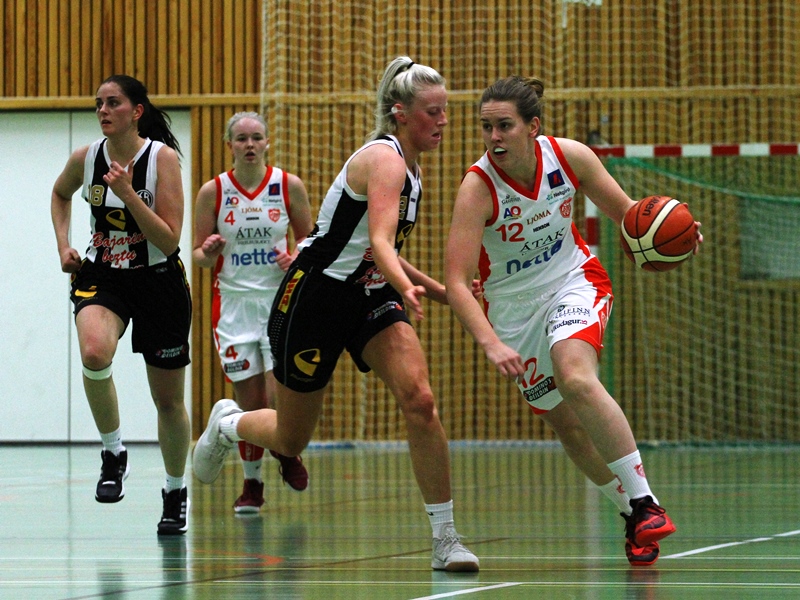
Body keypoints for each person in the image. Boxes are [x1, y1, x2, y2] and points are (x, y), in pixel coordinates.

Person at [192, 56, 480, 572]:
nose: (443, 121)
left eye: (445, 111)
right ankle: (229, 423)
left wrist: (443, 293)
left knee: (420, 400)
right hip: (314, 297)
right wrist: (406, 286)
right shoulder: (386, 160)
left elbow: (382, 252)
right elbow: (381, 243)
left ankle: (445, 538)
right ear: (400, 113)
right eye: (432, 112)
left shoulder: (413, 169)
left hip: (369, 295)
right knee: (290, 438)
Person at [444, 76, 701, 566]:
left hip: (573, 281)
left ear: (532, 127)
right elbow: (456, 281)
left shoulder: (570, 157)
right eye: (486, 127)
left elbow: (630, 216)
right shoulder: (477, 188)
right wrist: (490, 342)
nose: (494, 137)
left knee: (576, 376)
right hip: (513, 313)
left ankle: (646, 500)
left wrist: (677, 233)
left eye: (504, 126)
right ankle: (632, 514)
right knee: (569, 427)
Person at [50, 75, 192, 535]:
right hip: (104, 274)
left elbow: (169, 240)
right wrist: (64, 245)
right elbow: (60, 193)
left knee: (167, 401)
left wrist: (129, 193)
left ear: (137, 111)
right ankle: (113, 452)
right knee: (94, 352)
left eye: (113, 103)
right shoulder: (86, 158)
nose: (103, 111)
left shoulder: (160, 159)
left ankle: (175, 491)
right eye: (98, 104)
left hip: (158, 280)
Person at [192, 111, 314, 513]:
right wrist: (208, 251)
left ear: (266, 143)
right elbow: (198, 257)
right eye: (241, 138)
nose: (249, 145)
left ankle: (287, 450)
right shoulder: (213, 191)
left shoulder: (287, 186)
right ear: (229, 145)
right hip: (233, 306)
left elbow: (311, 246)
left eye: (256, 137)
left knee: (279, 398)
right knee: (251, 403)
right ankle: (253, 484)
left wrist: (294, 260)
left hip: (279, 304)